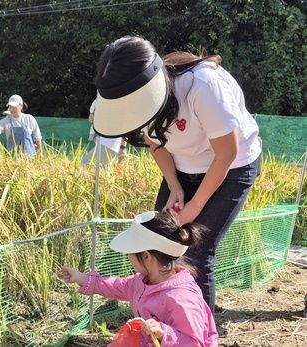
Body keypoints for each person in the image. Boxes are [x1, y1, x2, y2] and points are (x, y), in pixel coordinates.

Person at [91, 35, 262, 314]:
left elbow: (227, 153)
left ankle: (197, 334)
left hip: (231, 166)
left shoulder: (202, 86)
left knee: (195, 251)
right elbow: (155, 144)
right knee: (160, 244)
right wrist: (174, 186)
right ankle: (164, 324)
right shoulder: (134, 100)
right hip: (183, 166)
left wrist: (195, 206)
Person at [60, 210, 218, 346]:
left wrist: (163, 332)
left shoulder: (181, 298)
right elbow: (116, 286)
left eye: (130, 252)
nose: (128, 256)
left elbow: (193, 343)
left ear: (147, 256)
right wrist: (81, 278)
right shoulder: (141, 282)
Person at [0, 94, 42, 159]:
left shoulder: (29, 118)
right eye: (10, 106)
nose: (12, 109)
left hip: (29, 158)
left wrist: (40, 156)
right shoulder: (6, 120)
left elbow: (37, 138)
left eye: (14, 106)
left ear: (21, 106)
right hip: (12, 159)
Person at [81, 96, 127, 168]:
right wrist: (93, 116)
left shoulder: (117, 102)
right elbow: (91, 118)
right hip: (104, 144)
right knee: (103, 171)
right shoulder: (99, 100)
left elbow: (124, 127)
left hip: (109, 145)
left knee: (85, 162)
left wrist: (123, 147)